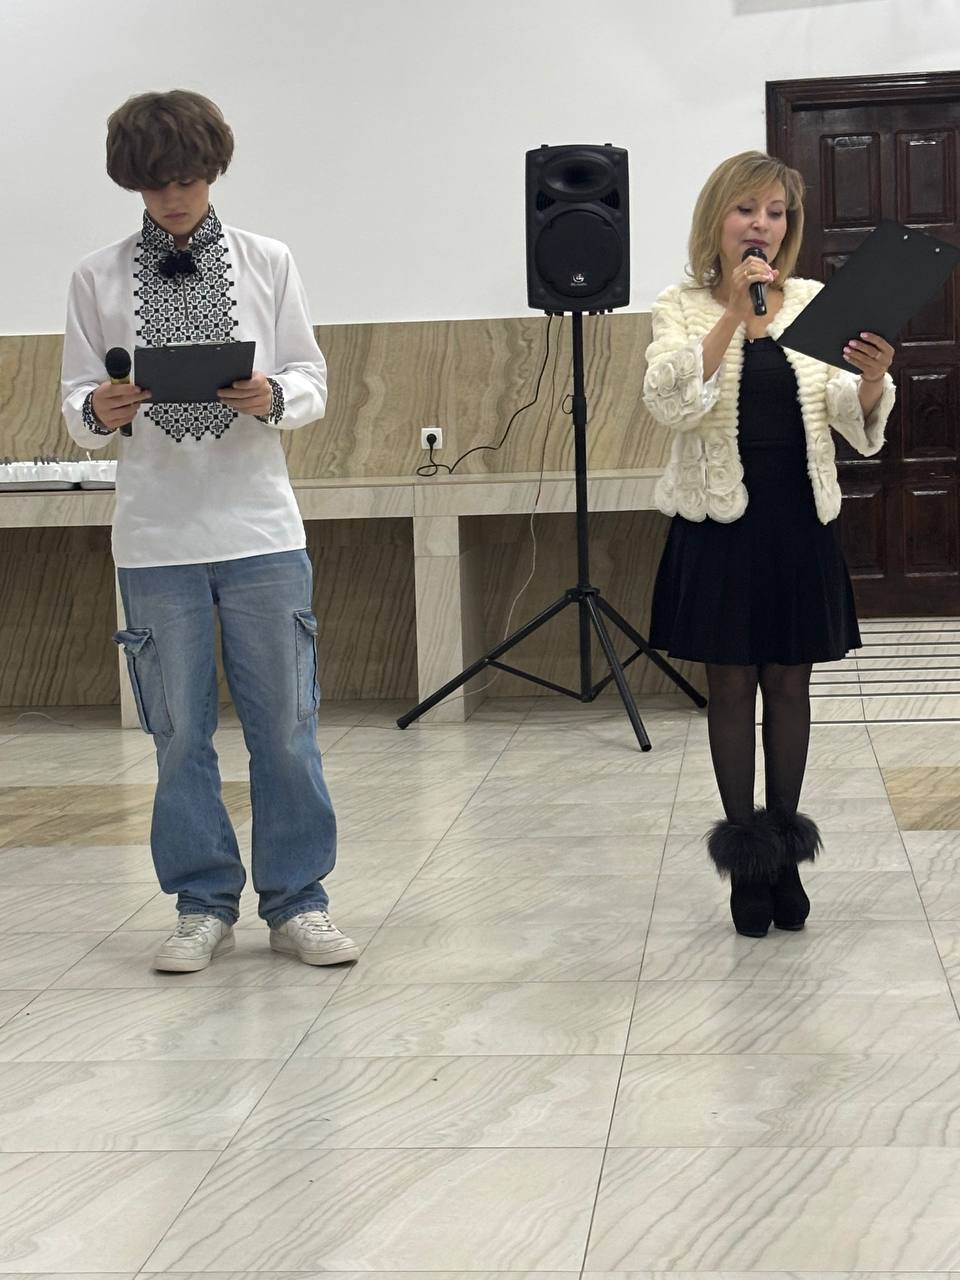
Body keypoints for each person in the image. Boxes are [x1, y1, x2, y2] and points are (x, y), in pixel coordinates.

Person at [61, 89, 359, 973]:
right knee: (178, 735)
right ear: (133, 185)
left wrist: (274, 395)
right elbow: (75, 406)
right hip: (154, 539)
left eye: (186, 180)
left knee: (287, 728)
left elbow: (311, 378)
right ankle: (201, 904)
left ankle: (300, 902)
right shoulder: (96, 278)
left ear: (213, 171)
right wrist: (100, 407)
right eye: (154, 185)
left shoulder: (268, 261)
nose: (172, 198)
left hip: (261, 530)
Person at [643, 151, 895, 938]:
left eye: (777, 212)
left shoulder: (814, 301)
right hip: (719, 524)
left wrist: (874, 381)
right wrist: (732, 313)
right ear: (717, 219)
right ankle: (746, 866)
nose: (762, 225)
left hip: (797, 522)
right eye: (747, 209)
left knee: (789, 686)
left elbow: (847, 414)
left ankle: (783, 852)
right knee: (730, 689)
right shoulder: (680, 306)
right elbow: (671, 402)